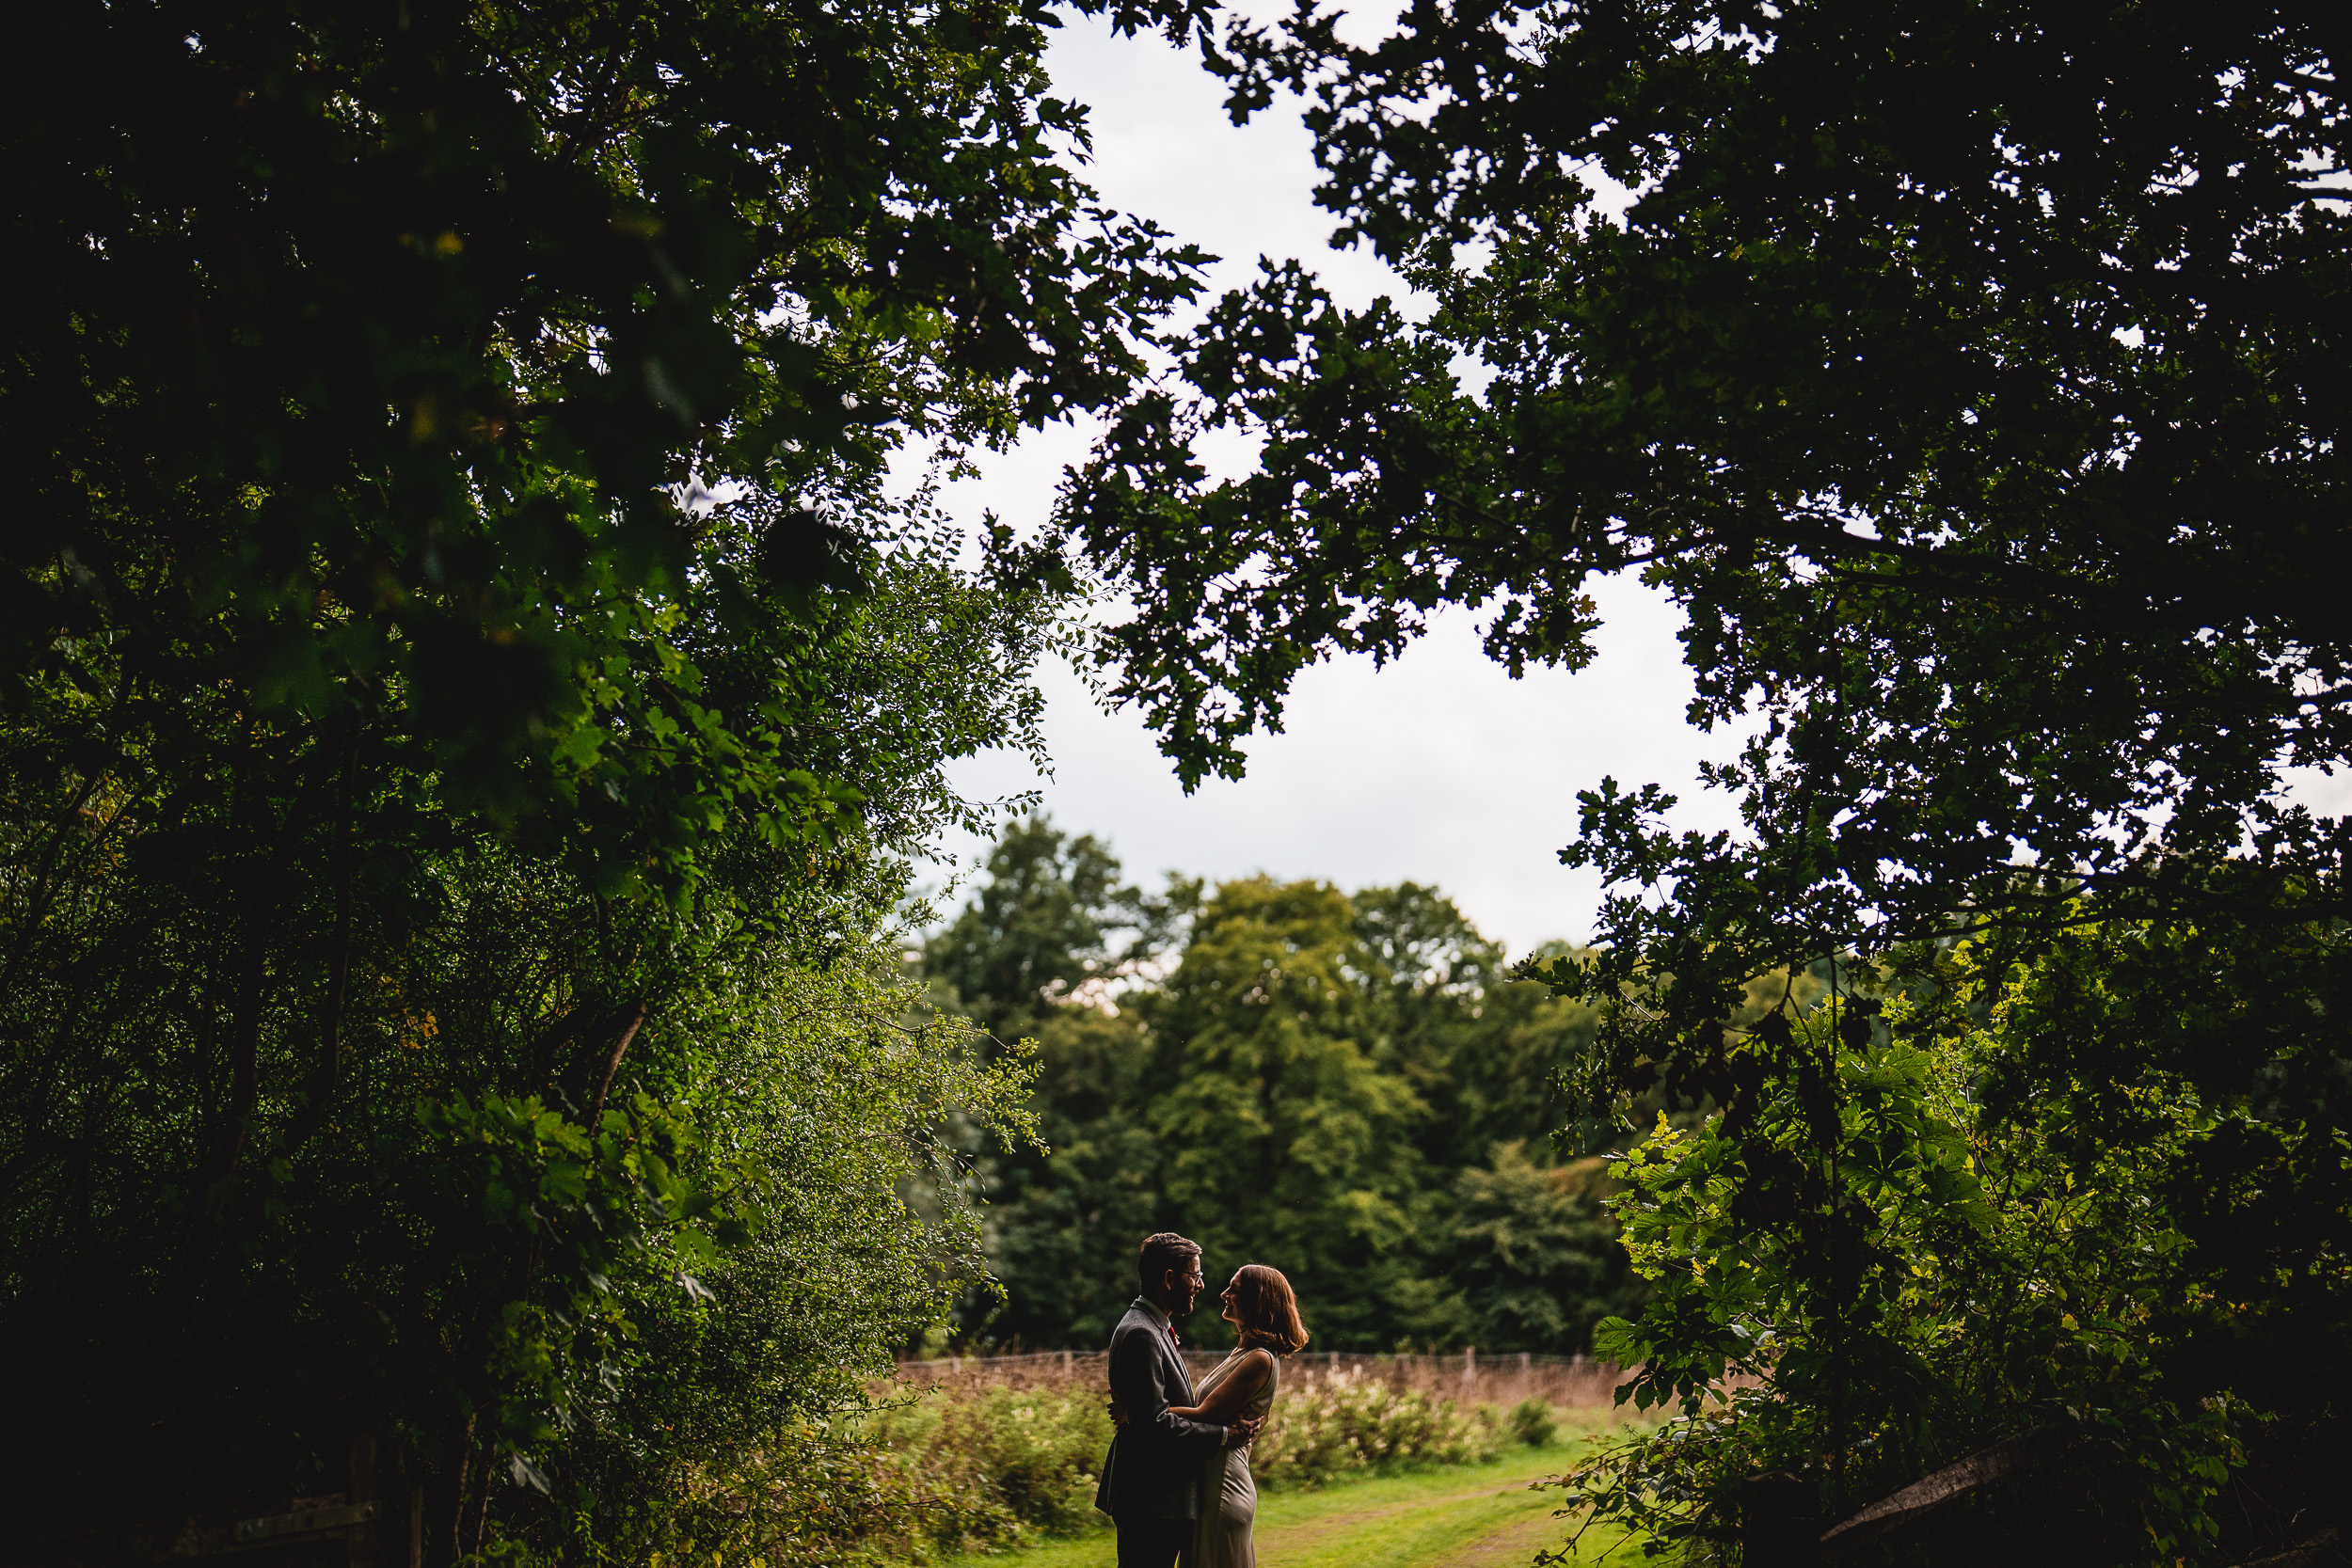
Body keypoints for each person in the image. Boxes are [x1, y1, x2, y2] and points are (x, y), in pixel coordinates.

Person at [1095, 1233, 1263, 1568]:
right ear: (1170, 1278)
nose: (1200, 1285)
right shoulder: (1142, 1332)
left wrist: (1137, 1414)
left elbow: (1145, 1414)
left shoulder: (1153, 1326)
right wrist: (1226, 1435)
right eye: (1195, 1275)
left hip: (1159, 1495)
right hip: (1151, 1496)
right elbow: (1154, 1422)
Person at [1166, 1264, 1308, 1568]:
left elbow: (1203, 1414)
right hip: (1208, 1483)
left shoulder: (1259, 1359)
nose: (1223, 1294)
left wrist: (1142, 1411)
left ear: (1258, 1301)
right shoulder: (1242, 1353)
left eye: (1235, 1290)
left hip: (1223, 1487)